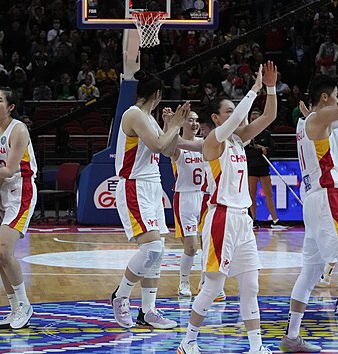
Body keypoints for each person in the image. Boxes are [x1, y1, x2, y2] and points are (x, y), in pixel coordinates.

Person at [178, 62, 277, 354]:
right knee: (212, 285)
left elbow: (270, 115)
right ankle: (188, 342)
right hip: (220, 216)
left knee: (251, 284)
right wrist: (253, 89)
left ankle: (256, 347)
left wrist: (269, 87)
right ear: (215, 117)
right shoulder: (213, 141)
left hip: (242, 219)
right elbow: (235, 121)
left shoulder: (237, 139)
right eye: (227, 111)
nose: (234, 116)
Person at [279, 54, 338, 351]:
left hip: (314, 201)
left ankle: (292, 337)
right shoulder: (319, 118)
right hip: (328, 196)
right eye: (335, 97)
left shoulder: (311, 121)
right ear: (324, 97)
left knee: (310, 271)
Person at [109, 70, 187, 329]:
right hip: (135, 185)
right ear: (158, 95)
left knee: (157, 253)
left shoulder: (150, 120)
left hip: (152, 186)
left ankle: (148, 311)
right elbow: (156, 146)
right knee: (152, 249)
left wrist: (170, 127)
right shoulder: (133, 114)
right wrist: (173, 125)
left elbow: (169, 150)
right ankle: (120, 296)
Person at [0, 87, 37, 329]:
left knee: (4, 250)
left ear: (11, 106)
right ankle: (14, 308)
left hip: (22, 190)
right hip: (2, 192)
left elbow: (11, 168)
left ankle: (25, 305)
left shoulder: (19, 129)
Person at [170, 110, 209, 297]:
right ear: (182, 123)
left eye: (196, 120)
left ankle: (205, 282)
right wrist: (170, 123)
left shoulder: (204, 144)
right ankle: (183, 283)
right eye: (190, 120)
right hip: (185, 198)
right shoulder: (177, 146)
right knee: (192, 247)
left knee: (208, 244)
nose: (194, 124)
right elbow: (166, 143)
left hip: (206, 198)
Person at [244, 107, 288, 230]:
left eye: (256, 119)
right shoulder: (247, 135)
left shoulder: (266, 134)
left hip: (263, 167)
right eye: (252, 119)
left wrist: (265, 149)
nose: (254, 120)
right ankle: (254, 220)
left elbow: (273, 150)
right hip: (251, 167)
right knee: (251, 195)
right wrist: (257, 150)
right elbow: (245, 152)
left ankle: (275, 220)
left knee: (269, 194)